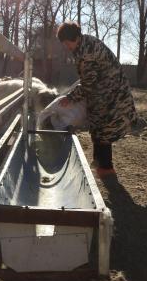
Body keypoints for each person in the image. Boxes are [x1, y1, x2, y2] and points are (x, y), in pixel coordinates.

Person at [57, 21, 137, 177]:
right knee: (97, 125)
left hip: (111, 94)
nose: (66, 47)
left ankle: (106, 169)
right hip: (103, 92)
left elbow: (88, 83)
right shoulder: (85, 43)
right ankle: (99, 163)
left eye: (66, 43)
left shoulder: (86, 52)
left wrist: (70, 98)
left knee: (104, 129)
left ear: (72, 38)